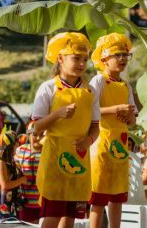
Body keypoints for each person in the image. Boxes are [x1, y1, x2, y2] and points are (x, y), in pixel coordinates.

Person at [32, 32, 100, 228]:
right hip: (54, 157)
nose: (81, 63)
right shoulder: (48, 87)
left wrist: (89, 140)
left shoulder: (90, 91)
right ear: (60, 59)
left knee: (70, 217)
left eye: (84, 59)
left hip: (79, 158)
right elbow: (36, 126)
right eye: (76, 58)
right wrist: (58, 114)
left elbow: (95, 126)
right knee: (52, 216)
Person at [89, 32, 137, 228]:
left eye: (125, 55)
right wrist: (115, 110)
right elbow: (90, 111)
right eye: (117, 55)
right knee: (98, 199)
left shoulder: (126, 85)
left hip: (121, 145)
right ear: (103, 59)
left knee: (117, 198)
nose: (122, 59)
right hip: (101, 143)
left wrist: (129, 116)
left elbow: (133, 120)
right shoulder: (98, 81)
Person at [14, 121, 43, 223]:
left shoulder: (48, 151)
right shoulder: (20, 151)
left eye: (42, 135)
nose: (39, 138)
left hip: (43, 203)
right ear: (29, 135)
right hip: (24, 203)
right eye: (35, 135)